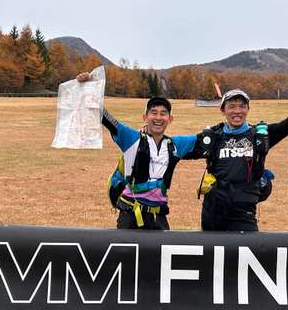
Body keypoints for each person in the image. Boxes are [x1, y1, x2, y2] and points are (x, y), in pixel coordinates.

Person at [186, 80, 288, 232]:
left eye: (242, 106)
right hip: (214, 211)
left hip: (244, 211)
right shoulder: (213, 136)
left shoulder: (260, 135)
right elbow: (178, 146)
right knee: (211, 251)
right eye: (231, 106)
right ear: (223, 110)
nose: (237, 111)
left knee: (249, 249)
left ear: (248, 109)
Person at [76, 71, 197, 230]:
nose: (158, 117)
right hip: (130, 215)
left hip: (158, 217)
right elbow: (105, 117)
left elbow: (206, 139)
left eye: (163, 113)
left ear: (170, 119)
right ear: (145, 117)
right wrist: (88, 87)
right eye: (153, 113)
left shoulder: (175, 144)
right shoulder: (132, 139)